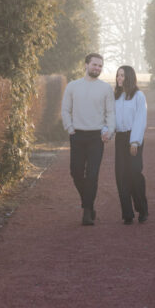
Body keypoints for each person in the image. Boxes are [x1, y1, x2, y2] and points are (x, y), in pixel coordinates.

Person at [61, 52, 115, 226]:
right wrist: (69, 128)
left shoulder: (105, 88)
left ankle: (87, 212)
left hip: (96, 137)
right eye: (94, 64)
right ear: (86, 65)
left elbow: (110, 113)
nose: (97, 68)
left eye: (100, 66)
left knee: (92, 175)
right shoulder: (73, 86)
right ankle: (89, 204)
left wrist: (109, 131)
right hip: (77, 135)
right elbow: (65, 110)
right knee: (75, 172)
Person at [113, 65, 148, 224]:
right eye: (118, 75)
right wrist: (105, 132)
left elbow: (140, 120)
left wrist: (134, 141)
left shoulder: (138, 96)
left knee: (135, 173)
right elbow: (111, 118)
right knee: (121, 175)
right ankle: (127, 213)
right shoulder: (116, 96)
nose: (119, 78)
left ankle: (142, 208)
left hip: (134, 138)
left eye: (122, 75)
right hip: (120, 139)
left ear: (129, 77)